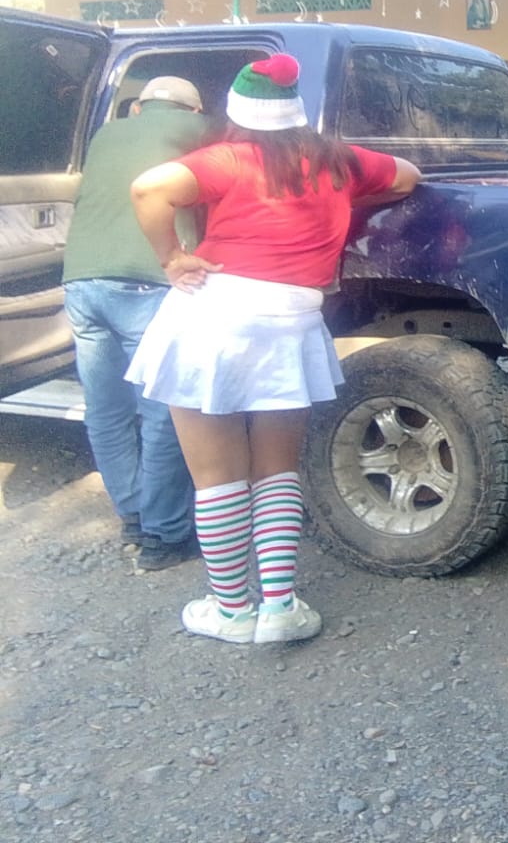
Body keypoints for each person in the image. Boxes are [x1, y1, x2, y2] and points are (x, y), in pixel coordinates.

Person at [125, 54, 420, 645]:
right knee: (277, 471)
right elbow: (407, 176)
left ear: (238, 113)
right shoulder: (338, 162)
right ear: (296, 113)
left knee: (217, 476)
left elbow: (148, 188)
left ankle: (230, 610)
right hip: (291, 324)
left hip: (212, 314)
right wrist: (343, 196)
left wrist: (172, 257)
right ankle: (280, 606)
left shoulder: (228, 158)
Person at [61, 75, 210, 570]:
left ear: (139, 108)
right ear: (193, 112)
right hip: (147, 282)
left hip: (81, 282)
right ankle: (165, 533)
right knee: (162, 409)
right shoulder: (201, 131)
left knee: (106, 409)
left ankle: (134, 515)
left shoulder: (106, 133)